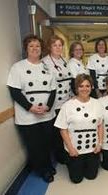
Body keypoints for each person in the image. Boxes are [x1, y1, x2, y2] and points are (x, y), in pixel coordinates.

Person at [7, 34, 56, 182]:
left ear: (41, 49)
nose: (35, 48)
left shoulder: (47, 67)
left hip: (46, 113)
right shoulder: (18, 67)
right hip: (27, 115)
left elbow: (53, 90)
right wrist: (30, 107)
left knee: (47, 142)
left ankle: (46, 165)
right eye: (31, 46)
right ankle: (44, 170)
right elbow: (14, 91)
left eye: (38, 46)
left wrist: (48, 106)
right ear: (26, 49)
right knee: (35, 145)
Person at [54, 74, 103, 184]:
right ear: (76, 88)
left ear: (91, 87)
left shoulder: (97, 103)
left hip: (92, 148)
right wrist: (70, 148)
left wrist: (99, 144)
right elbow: (63, 129)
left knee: (91, 176)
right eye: (81, 86)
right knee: (76, 179)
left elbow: (100, 125)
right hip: (75, 150)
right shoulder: (67, 105)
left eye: (87, 86)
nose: (84, 89)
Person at [42, 35, 72, 164]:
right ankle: (60, 156)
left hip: (67, 101)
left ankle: (66, 152)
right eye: (55, 45)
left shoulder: (64, 61)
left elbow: (69, 81)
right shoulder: (44, 62)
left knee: (66, 129)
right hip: (54, 103)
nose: (58, 48)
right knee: (57, 132)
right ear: (49, 47)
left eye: (60, 45)